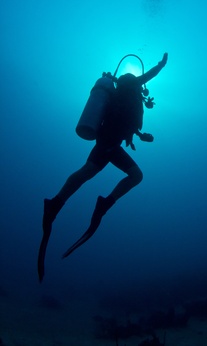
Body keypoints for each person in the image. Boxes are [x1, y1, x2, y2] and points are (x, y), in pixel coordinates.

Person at [38, 53, 168, 281]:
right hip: (108, 142)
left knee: (126, 174)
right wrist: (161, 65)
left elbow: (125, 120)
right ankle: (58, 203)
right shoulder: (130, 88)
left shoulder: (126, 95)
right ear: (133, 81)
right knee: (92, 172)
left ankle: (93, 203)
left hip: (111, 143)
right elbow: (146, 79)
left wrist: (139, 135)